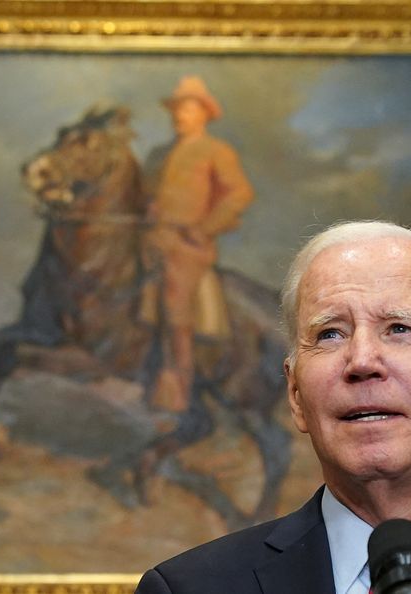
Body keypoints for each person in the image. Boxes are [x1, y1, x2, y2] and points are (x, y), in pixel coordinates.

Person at [134, 220, 411, 593]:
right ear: (296, 395)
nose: (361, 361)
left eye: (399, 328)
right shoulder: (193, 587)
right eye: (330, 334)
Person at [141, 75, 254, 412]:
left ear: (204, 114)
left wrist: (206, 228)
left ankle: (179, 385)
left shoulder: (216, 151)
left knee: (175, 295)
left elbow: (240, 194)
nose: (180, 116)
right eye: (176, 110)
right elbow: (146, 195)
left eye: (188, 110)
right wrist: (148, 208)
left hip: (188, 246)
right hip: (150, 238)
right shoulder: (158, 155)